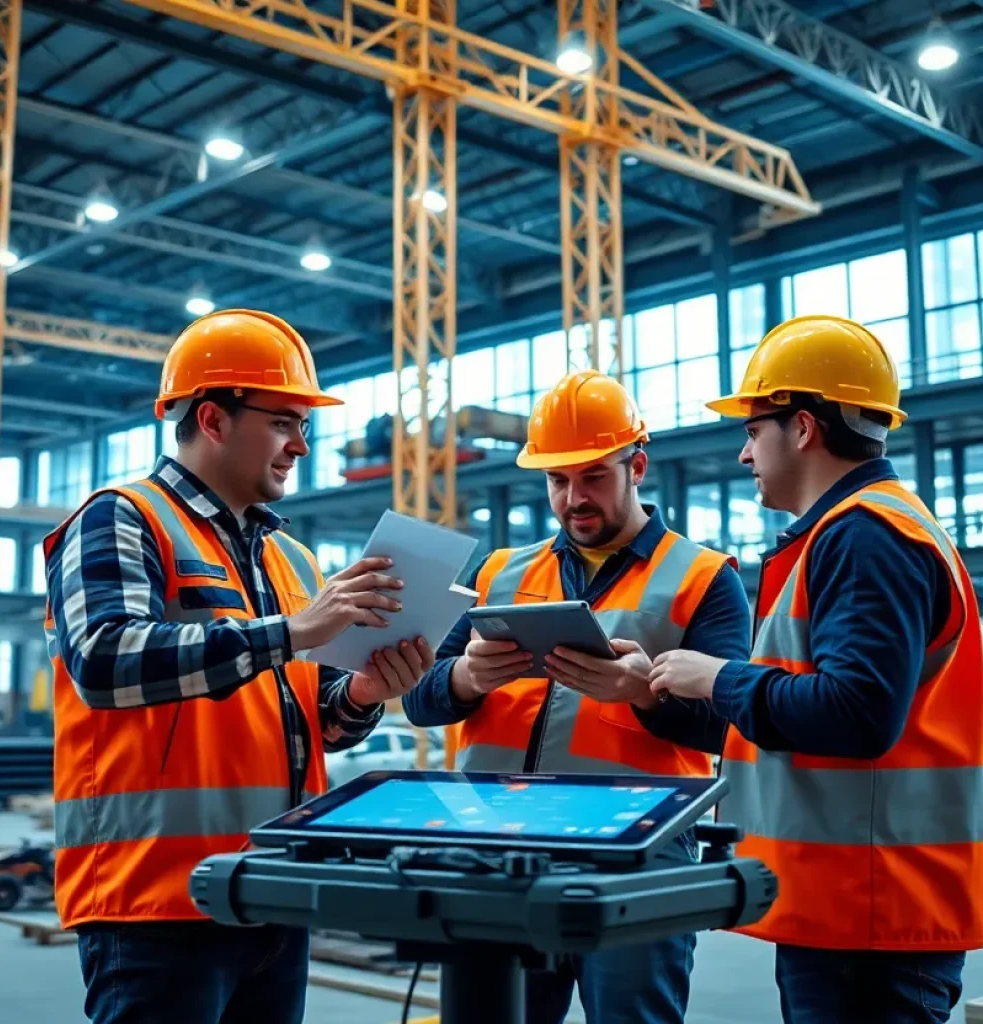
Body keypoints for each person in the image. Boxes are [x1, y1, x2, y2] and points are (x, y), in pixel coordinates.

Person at [44, 309, 435, 1024]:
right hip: (157, 903)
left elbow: (311, 723)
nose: (301, 446)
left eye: (305, 426)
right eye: (285, 421)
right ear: (215, 418)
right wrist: (291, 630)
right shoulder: (121, 519)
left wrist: (365, 695)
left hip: (276, 895)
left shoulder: (293, 560)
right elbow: (102, 660)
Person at [649, 314, 983, 1024]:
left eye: (752, 429)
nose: (743, 455)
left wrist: (716, 676)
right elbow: (790, 724)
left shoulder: (868, 536)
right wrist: (650, 690)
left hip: (874, 914)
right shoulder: (853, 532)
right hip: (852, 906)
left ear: (802, 428)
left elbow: (856, 714)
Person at [403, 369, 752, 1024]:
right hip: (494, 847)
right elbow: (421, 697)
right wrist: (466, 678)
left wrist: (642, 694)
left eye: (592, 477)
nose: (572, 499)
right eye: (557, 481)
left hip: (636, 855)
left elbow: (730, 725)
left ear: (637, 465)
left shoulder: (704, 579)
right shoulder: (500, 571)